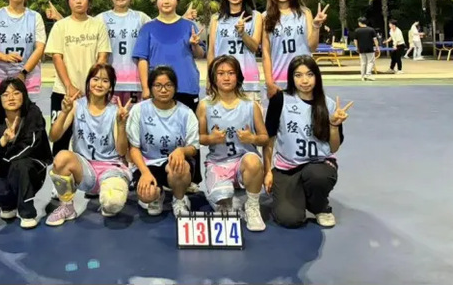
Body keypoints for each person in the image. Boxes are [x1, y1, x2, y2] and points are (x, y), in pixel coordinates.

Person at [263, 56, 352, 228]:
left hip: (318, 164)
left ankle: (320, 206)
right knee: (289, 219)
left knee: (317, 176)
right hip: (287, 167)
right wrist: (267, 171)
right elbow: (269, 139)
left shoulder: (329, 105)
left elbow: (333, 148)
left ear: (317, 76)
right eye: (298, 75)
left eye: (310, 74)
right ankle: (297, 196)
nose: (304, 80)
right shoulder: (280, 100)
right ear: (291, 78)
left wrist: (334, 125)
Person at [134, 0, 206, 186]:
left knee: (189, 135)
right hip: (159, 90)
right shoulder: (148, 28)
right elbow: (142, 59)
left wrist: (194, 45)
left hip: (186, 87)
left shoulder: (189, 26)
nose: (166, 1)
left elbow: (200, 53)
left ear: (177, 1)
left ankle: (192, 179)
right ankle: (158, 175)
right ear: (156, 1)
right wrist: (146, 88)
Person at [45, 63, 132, 226]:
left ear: (111, 86)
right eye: (95, 79)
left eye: (105, 81)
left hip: (111, 168)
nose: (99, 84)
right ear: (88, 81)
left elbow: (121, 151)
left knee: (112, 203)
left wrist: (121, 125)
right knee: (61, 158)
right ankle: (67, 207)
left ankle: (108, 194)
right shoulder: (76, 105)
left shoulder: (115, 111)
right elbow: (53, 136)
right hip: (84, 169)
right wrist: (64, 112)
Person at [196, 55, 267, 231]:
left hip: (243, 162)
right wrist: (210, 139)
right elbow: (198, 138)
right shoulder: (205, 105)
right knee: (224, 205)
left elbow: (264, 137)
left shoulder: (250, 105)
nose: (226, 78)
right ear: (214, 78)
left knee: (253, 161)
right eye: (221, 73)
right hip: (218, 163)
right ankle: (226, 193)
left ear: (238, 76)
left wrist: (252, 139)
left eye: (231, 73)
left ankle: (252, 205)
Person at [45, 0, 111, 156]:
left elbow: (102, 58)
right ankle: (59, 172)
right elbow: (57, 58)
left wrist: (93, 86)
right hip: (64, 93)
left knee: (90, 140)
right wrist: (69, 86)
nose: (78, 1)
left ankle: (89, 171)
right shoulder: (60, 26)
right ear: (68, 1)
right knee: (60, 141)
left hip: (92, 94)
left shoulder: (98, 25)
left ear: (89, 1)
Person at [0, 77, 52, 229]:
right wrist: (3, 141)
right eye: (5, 94)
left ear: (24, 95)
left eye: (16, 93)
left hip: (32, 171)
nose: (11, 98)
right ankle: (9, 204)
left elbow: (30, 146)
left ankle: (27, 212)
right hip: (6, 172)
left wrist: (2, 163)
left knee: (20, 164)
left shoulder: (33, 114)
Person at [127, 66, 199, 216]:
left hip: (174, 164)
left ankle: (179, 199)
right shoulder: (139, 110)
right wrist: (145, 173)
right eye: (158, 85)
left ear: (175, 87)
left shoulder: (186, 113)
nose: (163, 90)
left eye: (168, 85)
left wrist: (182, 151)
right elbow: (133, 148)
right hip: (148, 163)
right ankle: (157, 195)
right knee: (147, 194)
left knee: (180, 168)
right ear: (151, 87)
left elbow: (193, 147)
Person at [261, 0, 328, 98]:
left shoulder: (305, 13)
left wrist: (316, 26)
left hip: (304, 78)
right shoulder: (265, 17)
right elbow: (265, 53)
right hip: (279, 79)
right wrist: (269, 82)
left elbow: (312, 47)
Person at [207, 0, 263, 101]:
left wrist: (242, 33)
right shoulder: (216, 19)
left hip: (248, 80)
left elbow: (254, 47)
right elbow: (211, 52)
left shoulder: (256, 16)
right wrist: (210, 80)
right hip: (222, 80)